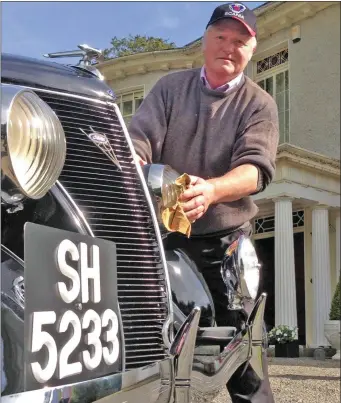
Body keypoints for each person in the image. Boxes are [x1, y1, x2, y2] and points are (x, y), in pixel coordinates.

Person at [128, 3, 279, 402]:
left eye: (239, 41)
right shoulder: (168, 89)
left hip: (223, 245)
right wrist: (136, 160)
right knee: (150, 348)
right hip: (164, 240)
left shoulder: (259, 103)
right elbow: (137, 140)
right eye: (220, 37)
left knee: (246, 358)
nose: (228, 47)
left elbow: (255, 169)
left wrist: (211, 190)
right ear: (206, 40)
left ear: (252, 48)